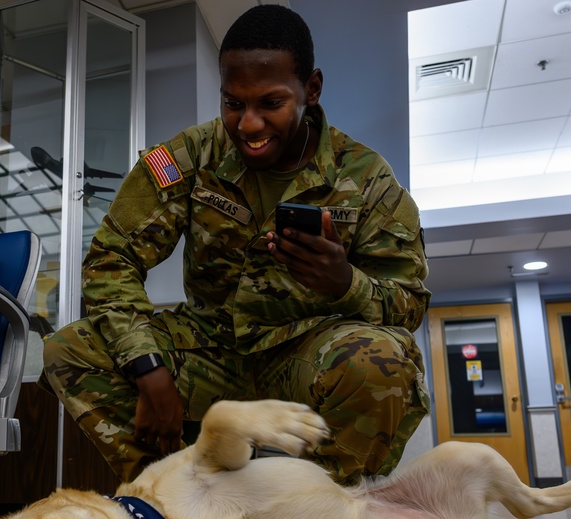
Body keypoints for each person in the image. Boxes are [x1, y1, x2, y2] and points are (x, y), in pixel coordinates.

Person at [43, 5, 431, 487]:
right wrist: (147, 364)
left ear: (311, 90)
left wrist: (345, 283)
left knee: (383, 362)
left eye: (270, 103)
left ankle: (316, 512)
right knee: (70, 347)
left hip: (304, 353)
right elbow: (110, 259)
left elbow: (408, 305)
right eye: (233, 103)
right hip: (208, 349)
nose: (248, 125)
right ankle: (177, 496)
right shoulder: (192, 156)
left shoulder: (368, 179)